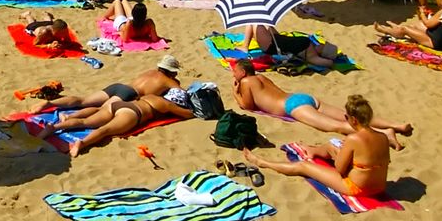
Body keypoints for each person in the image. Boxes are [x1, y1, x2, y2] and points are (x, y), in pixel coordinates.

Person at [230, 63, 413, 146]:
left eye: (235, 70)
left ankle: (384, 134)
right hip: (302, 97)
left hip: (293, 107)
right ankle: (395, 125)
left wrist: (235, 92)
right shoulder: (262, 77)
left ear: (244, 72)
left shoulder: (246, 83)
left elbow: (248, 106)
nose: (233, 73)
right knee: (346, 115)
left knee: (337, 126)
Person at [242, 94, 392, 196]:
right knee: (332, 146)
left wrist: (340, 154)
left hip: (359, 188)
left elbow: (340, 169)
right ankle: (313, 151)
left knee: (303, 167)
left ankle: (262, 162)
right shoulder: (383, 137)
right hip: (379, 187)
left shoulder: (354, 139)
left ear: (352, 119)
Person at [53, 87, 195, 159]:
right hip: (132, 113)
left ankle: (54, 127)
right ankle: (81, 143)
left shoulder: (152, 96)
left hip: (118, 105)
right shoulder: (166, 104)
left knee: (85, 122)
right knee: (105, 130)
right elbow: (187, 115)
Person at [37, 56, 184, 114]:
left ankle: (48, 104)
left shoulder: (151, 71)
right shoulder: (168, 80)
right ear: (172, 72)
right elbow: (183, 95)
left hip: (118, 86)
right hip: (130, 94)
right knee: (101, 111)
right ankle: (69, 119)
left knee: (83, 100)